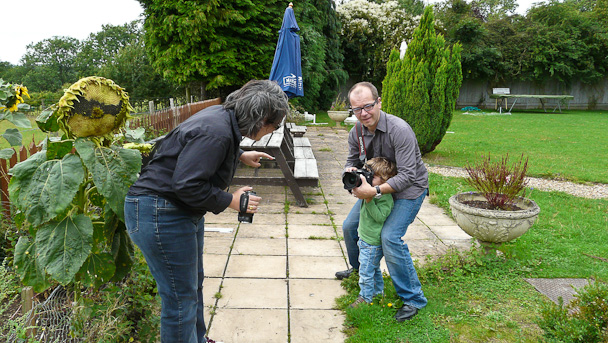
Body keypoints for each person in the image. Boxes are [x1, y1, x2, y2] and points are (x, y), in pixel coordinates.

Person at [124, 80, 289, 343]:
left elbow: (196, 153)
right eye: (275, 124)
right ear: (261, 120)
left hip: (176, 210)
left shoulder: (222, 117)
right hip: (161, 213)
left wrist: (240, 154)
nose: (273, 130)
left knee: (191, 288)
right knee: (179, 299)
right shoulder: (217, 132)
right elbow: (187, 184)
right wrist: (231, 200)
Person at [337, 81, 429, 322]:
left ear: (379, 102)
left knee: (389, 237)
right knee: (349, 227)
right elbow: (352, 161)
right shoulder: (356, 132)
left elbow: (408, 175)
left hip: (409, 190)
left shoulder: (400, 130)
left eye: (368, 106)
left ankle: (413, 298)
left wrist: (375, 191)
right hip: (376, 188)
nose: (363, 113)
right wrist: (352, 175)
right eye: (357, 109)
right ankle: (361, 271)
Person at [349, 157, 397, 308]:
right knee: (374, 269)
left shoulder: (385, 198)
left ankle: (365, 297)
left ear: (385, 181)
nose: (369, 178)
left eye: (373, 176)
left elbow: (379, 217)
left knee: (365, 272)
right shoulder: (371, 191)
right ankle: (377, 293)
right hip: (365, 239)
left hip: (372, 243)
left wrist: (369, 200)